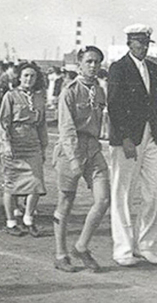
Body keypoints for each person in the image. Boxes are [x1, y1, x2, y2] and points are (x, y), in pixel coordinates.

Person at [107, 24, 157, 267]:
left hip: (151, 136)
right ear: (129, 43)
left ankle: (145, 245)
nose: (143, 47)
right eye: (139, 42)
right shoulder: (118, 68)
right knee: (123, 194)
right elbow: (114, 105)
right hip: (128, 138)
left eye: (146, 43)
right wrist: (124, 138)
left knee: (155, 192)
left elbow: (156, 106)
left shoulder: (153, 69)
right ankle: (123, 249)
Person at [53, 46, 111, 273]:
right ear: (79, 64)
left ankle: (81, 245)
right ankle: (60, 253)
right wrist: (74, 159)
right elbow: (66, 129)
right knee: (66, 201)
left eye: (97, 62)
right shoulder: (69, 91)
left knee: (103, 199)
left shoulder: (99, 91)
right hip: (72, 149)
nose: (93, 66)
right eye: (89, 61)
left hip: (93, 149)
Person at [0, 62, 48, 237]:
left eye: (32, 76)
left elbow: (42, 125)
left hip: (32, 142)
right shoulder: (10, 96)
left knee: (36, 182)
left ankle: (28, 219)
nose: (29, 79)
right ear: (19, 77)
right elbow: (3, 122)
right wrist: (6, 144)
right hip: (14, 143)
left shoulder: (40, 97)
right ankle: (11, 222)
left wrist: (43, 147)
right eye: (26, 75)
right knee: (11, 184)